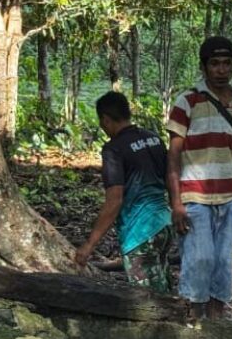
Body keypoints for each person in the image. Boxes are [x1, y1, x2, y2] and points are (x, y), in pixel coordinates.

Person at [166, 36, 232, 319]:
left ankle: (216, 326)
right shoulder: (188, 102)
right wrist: (176, 202)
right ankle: (193, 325)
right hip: (194, 198)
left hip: (229, 200)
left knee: (222, 264)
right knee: (199, 261)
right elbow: (173, 154)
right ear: (204, 67)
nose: (221, 70)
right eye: (215, 64)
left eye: (226, 63)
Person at [74, 91, 173, 292]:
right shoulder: (154, 139)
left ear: (106, 120)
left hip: (140, 231)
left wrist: (89, 244)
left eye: (102, 123)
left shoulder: (114, 149)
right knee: (162, 283)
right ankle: (179, 318)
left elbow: (114, 200)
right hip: (164, 224)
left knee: (147, 299)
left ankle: (169, 322)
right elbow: (170, 177)